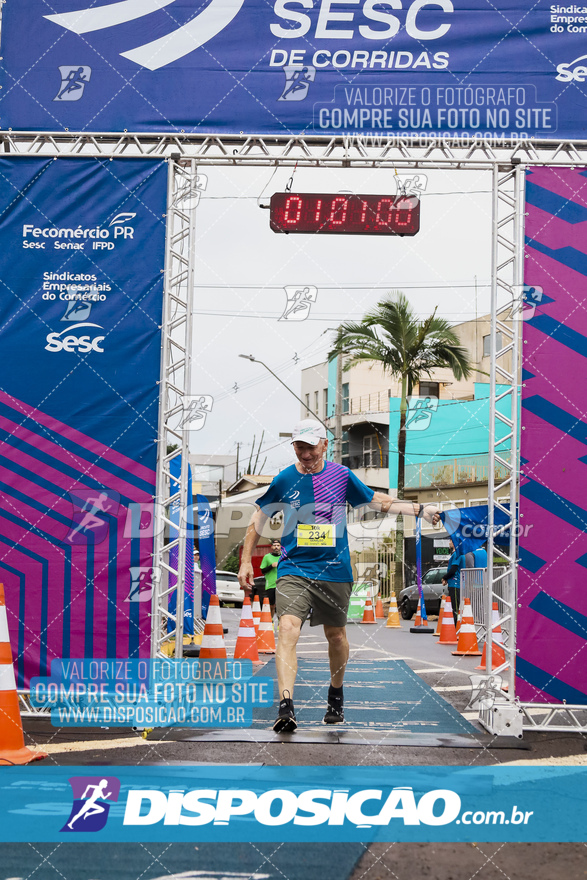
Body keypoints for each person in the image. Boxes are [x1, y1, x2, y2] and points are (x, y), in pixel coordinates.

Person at [238, 419, 440, 733]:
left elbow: (379, 501)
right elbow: (259, 516)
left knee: (336, 636)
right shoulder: (284, 479)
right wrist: (245, 561)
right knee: (287, 628)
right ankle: (286, 705)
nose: (305, 453)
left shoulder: (341, 476)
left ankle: (335, 692)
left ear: (324, 445)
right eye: (299, 447)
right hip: (294, 567)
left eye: (310, 447)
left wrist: (419, 509)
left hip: (334, 570)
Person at [442, 538, 465, 624]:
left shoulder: (457, 554)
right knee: (455, 606)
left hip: (455, 584)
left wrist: (445, 578)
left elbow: (453, 570)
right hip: (455, 583)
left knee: (455, 607)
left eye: (451, 540)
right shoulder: (458, 554)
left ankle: (456, 628)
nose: (449, 542)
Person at [259, 539, 281, 618]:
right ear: (271, 547)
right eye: (274, 545)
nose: (276, 547)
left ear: (280, 547)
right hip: (271, 584)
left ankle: (280, 623)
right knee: (272, 605)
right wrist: (271, 566)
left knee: (281, 606)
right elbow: (262, 570)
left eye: (278, 545)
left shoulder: (283, 557)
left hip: (282, 584)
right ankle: (270, 622)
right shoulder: (267, 557)